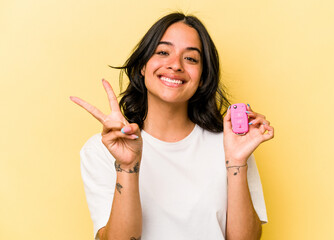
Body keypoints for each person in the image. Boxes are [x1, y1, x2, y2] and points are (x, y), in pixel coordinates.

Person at [70, 12, 274, 240]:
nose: (175, 65)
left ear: (203, 77)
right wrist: (127, 167)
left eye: (191, 59)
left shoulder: (232, 144)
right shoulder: (102, 150)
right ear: (142, 66)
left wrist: (237, 161)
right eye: (163, 52)